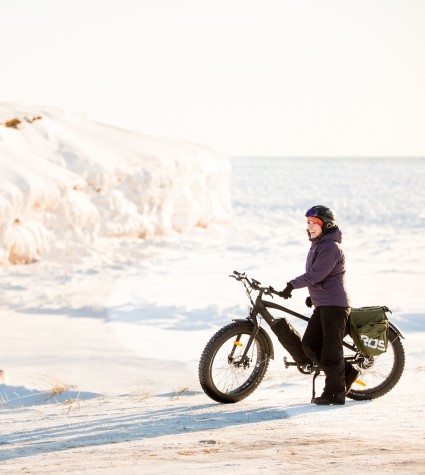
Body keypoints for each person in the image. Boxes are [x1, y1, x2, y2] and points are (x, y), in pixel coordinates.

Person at [279, 205, 359, 405]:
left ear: (327, 224)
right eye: (308, 222)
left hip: (335, 306)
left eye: (315, 222)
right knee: (310, 345)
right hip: (324, 303)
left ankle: (335, 394)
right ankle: (347, 374)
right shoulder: (318, 245)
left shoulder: (331, 247)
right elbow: (322, 278)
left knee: (331, 351)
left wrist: (292, 284)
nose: (310, 226)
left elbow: (316, 274)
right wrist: (313, 296)